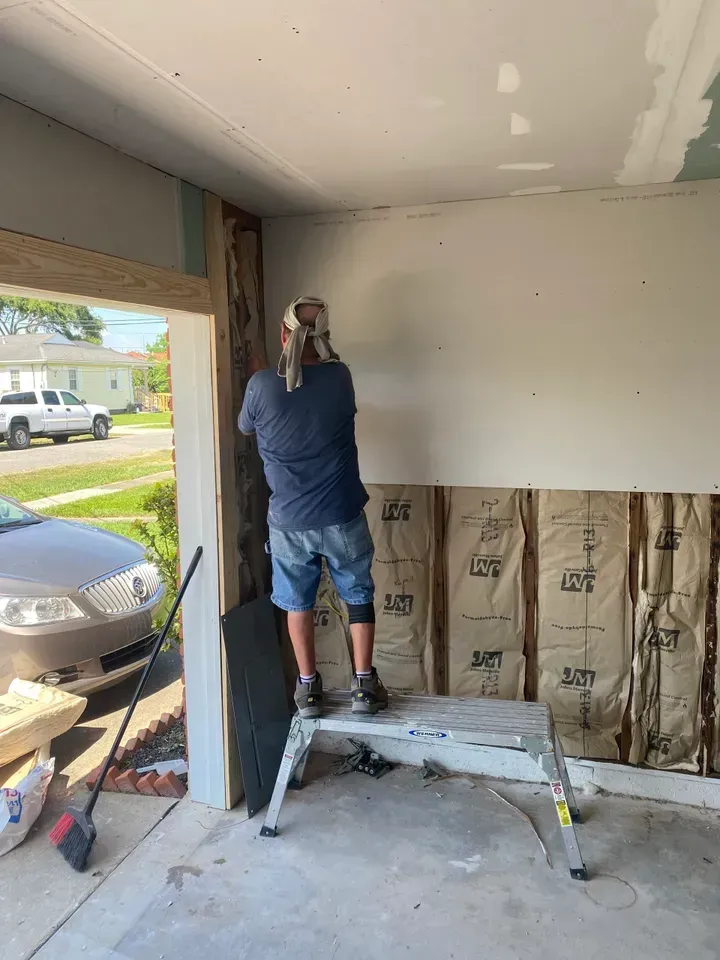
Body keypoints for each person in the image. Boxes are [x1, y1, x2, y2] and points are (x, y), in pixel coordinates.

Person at [239, 296, 387, 719]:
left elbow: (248, 425)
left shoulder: (261, 385)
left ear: (284, 334)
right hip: (341, 513)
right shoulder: (341, 377)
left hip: (288, 520)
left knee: (297, 601)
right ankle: (363, 687)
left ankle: (308, 692)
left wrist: (260, 376)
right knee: (357, 593)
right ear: (324, 337)